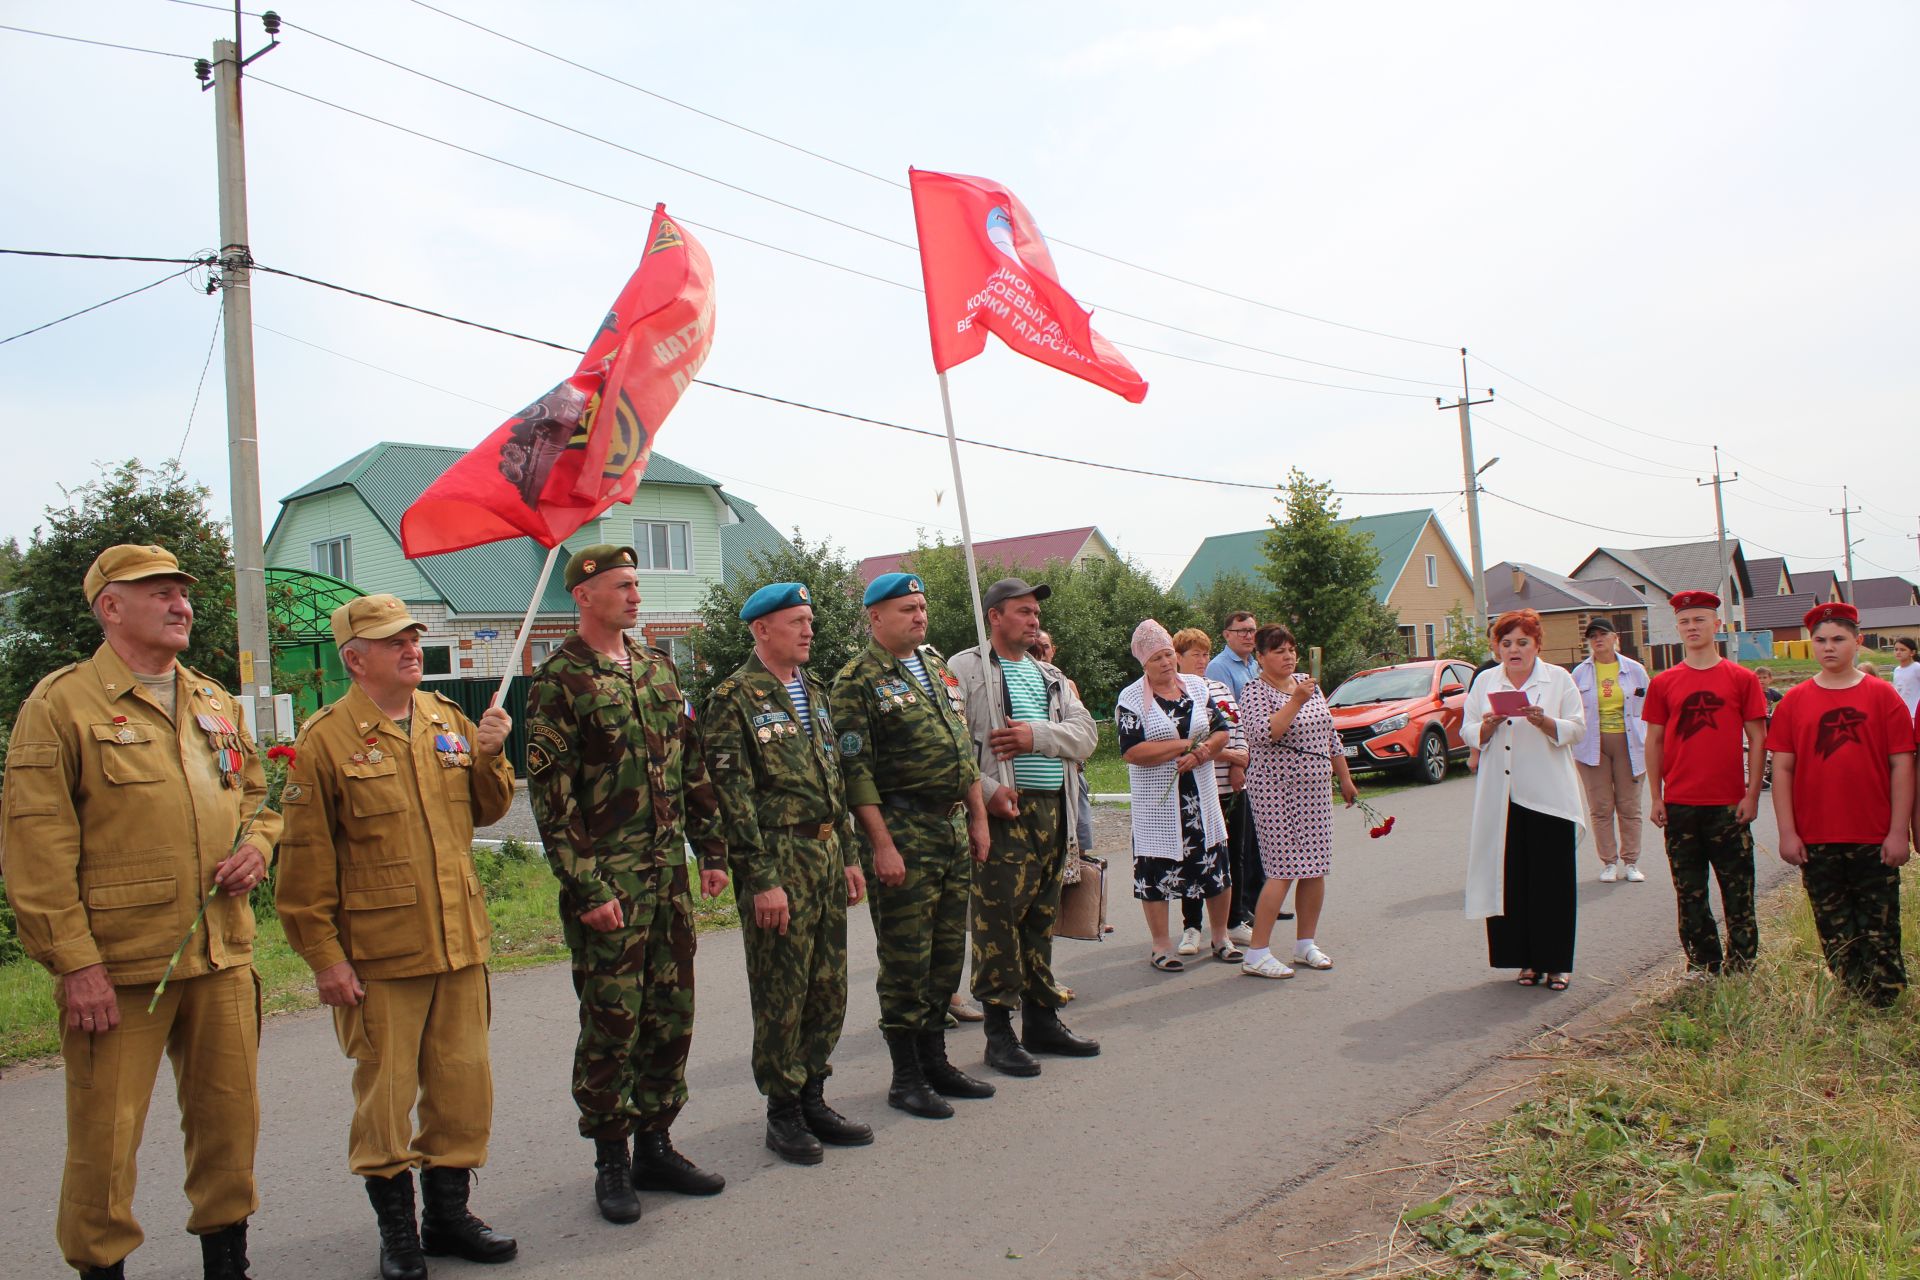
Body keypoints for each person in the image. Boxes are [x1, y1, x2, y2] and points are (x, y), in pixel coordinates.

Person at [1, 545, 280, 1280]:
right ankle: (101, 1268)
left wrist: (258, 846)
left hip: (222, 952)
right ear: (111, 607)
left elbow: (256, 799)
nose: (180, 604)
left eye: (181, 593)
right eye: (158, 593)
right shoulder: (60, 704)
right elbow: (35, 846)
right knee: (105, 1138)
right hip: (120, 966)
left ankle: (228, 1263)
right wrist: (75, 962)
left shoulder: (213, 700)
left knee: (230, 1126)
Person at [276, 594, 518, 1280]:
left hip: (457, 941)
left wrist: (491, 755)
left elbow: (488, 809)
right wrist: (324, 957)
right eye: (393, 642)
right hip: (381, 955)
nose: (411, 648)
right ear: (355, 659)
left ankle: (447, 1217)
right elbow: (303, 867)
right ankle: (399, 1234)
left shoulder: (446, 720)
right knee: (386, 1100)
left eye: (412, 637)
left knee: (463, 1089)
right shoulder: (325, 740)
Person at [523, 546, 728, 1225]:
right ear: (584, 597)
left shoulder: (656, 669)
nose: (636, 596)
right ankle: (611, 1159)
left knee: (671, 1016)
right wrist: (588, 889)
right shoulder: (558, 682)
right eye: (623, 585)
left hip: (668, 878)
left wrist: (713, 849)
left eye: (638, 584)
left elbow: (689, 764)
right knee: (613, 1023)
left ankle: (657, 1145)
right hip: (610, 885)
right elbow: (555, 806)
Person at [701, 582, 870, 1165]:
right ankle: (783, 1111)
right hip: (778, 861)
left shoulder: (814, 691)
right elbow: (734, 796)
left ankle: (814, 1094)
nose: (809, 631)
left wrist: (849, 854)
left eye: (810, 620)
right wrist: (760, 879)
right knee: (783, 989)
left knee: (828, 984)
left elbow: (834, 779)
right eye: (797, 621)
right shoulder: (734, 698)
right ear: (762, 630)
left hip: (824, 855)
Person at [830, 572, 996, 1121]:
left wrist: (977, 817)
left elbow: (961, 748)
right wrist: (880, 844)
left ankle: (936, 1061)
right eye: (907, 609)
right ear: (875, 617)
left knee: (947, 952)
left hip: (948, 830)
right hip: (902, 831)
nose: (919, 616)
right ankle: (905, 1077)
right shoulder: (856, 680)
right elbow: (856, 772)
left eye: (922, 607)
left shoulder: (935, 669)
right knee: (906, 957)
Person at [947, 577, 1100, 1076]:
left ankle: (1041, 1019)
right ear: (994, 616)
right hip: (1001, 812)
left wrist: (1035, 735)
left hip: (1053, 808)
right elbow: (950, 742)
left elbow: (1086, 737)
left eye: (1036, 613)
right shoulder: (966, 670)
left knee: (1040, 917)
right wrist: (986, 793)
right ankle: (999, 1033)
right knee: (997, 923)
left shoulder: (1050, 674)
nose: (1034, 621)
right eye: (1023, 612)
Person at [1767, 602, 1915, 1007]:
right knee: (1835, 930)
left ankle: (1887, 1002)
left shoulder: (1882, 696)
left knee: (1880, 929)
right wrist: (1787, 831)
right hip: (1817, 837)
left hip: (1873, 834)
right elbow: (1782, 770)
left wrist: (1898, 831)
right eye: (1820, 640)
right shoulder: (1795, 701)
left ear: (1858, 641)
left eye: (1838, 639)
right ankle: (1851, 997)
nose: (1828, 647)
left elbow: (1902, 764)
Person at [1642, 592, 1768, 975]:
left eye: (1700, 620)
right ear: (1677, 628)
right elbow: (1655, 741)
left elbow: (1758, 738)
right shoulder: (1664, 683)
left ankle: (1742, 963)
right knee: (1690, 893)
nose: (1692, 627)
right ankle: (1704, 964)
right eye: (1685, 622)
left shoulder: (1742, 679)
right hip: (1681, 804)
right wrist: (1656, 797)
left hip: (1729, 804)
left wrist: (1751, 794)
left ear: (1717, 625)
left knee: (1738, 892)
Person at [1462, 609, 1587, 992]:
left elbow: (1577, 728)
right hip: (1503, 797)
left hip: (1549, 796)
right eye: (1506, 643)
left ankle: (1557, 964)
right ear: (1495, 647)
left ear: (1537, 645)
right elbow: (1468, 729)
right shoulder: (1486, 680)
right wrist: (1486, 726)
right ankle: (1525, 961)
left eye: (1522, 643)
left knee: (1552, 882)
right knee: (1512, 880)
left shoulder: (1558, 679)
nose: (1513, 650)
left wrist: (1544, 721)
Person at [1237, 624, 1358, 979]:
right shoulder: (1255, 691)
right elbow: (1265, 734)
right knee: (1283, 870)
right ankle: (1257, 951)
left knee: (1315, 868)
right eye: (1278, 651)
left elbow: (1329, 734)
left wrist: (1345, 777)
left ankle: (1306, 942)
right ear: (1260, 658)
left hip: (1316, 789)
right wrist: (1295, 701)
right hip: (1277, 791)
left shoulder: (1307, 682)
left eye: (1291, 649)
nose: (1288, 656)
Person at [1117, 621, 1239, 971]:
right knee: (1157, 873)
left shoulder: (1197, 688)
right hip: (1159, 804)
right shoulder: (1131, 698)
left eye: (1169, 654)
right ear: (1144, 663)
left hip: (1201, 798)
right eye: (1157, 657)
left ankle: (1220, 937)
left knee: (1215, 866)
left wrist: (1202, 752)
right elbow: (1132, 751)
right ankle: (1161, 945)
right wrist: (1184, 745)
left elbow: (1221, 732)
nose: (1166, 663)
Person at [1172, 627, 1254, 953]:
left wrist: (1239, 762)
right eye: (1196, 654)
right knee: (1193, 857)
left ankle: (1234, 920)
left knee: (1235, 855)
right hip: (1197, 789)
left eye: (1206, 653)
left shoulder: (1219, 689)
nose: (1203, 660)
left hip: (1230, 785)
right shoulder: (1176, 693)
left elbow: (1237, 728)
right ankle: (1191, 926)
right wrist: (1229, 754)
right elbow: (1192, 744)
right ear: (1178, 658)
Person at [1570, 619, 1649, 882]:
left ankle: (1631, 861)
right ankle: (1609, 862)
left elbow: (1649, 707)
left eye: (1603, 634)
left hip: (1629, 742)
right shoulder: (1580, 673)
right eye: (1592, 636)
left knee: (1629, 804)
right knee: (1601, 806)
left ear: (1615, 638)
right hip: (1592, 745)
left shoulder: (1634, 670)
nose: (1598, 640)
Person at [1206, 611, 1260, 700]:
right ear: (1227, 635)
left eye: (1252, 631)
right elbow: (1225, 711)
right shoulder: (1218, 667)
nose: (1249, 636)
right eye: (1242, 631)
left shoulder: (1255, 665)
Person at [1892, 637, 1920, 717]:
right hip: (1903, 714)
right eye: (1896, 649)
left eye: (1902, 650)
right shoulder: (1896, 670)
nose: (1898, 652)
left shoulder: (1917, 668)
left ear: (1912, 652)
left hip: (1915, 714)